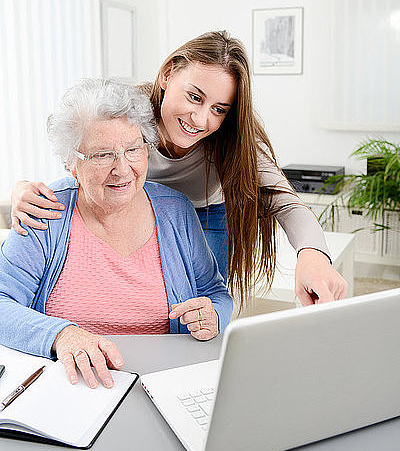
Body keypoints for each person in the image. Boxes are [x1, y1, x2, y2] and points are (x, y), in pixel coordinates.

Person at [11, 31, 347, 306]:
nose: (201, 120)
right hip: (140, 213)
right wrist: (22, 187)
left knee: (202, 308)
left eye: (219, 108)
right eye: (195, 97)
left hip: (207, 217)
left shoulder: (235, 138)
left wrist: (313, 255)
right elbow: (78, 153)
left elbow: (284, 200)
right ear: (168, 73)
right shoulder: (128, 112)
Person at [0, 79, 232, 389]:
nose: (122, 169)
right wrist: (61, 334)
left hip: (163, 382)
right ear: (71, 163)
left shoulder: (175, 210)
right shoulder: (45, 211)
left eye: (133, 149)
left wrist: (214, 314)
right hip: (72, 384)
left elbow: (215, 293)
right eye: (101, 155)